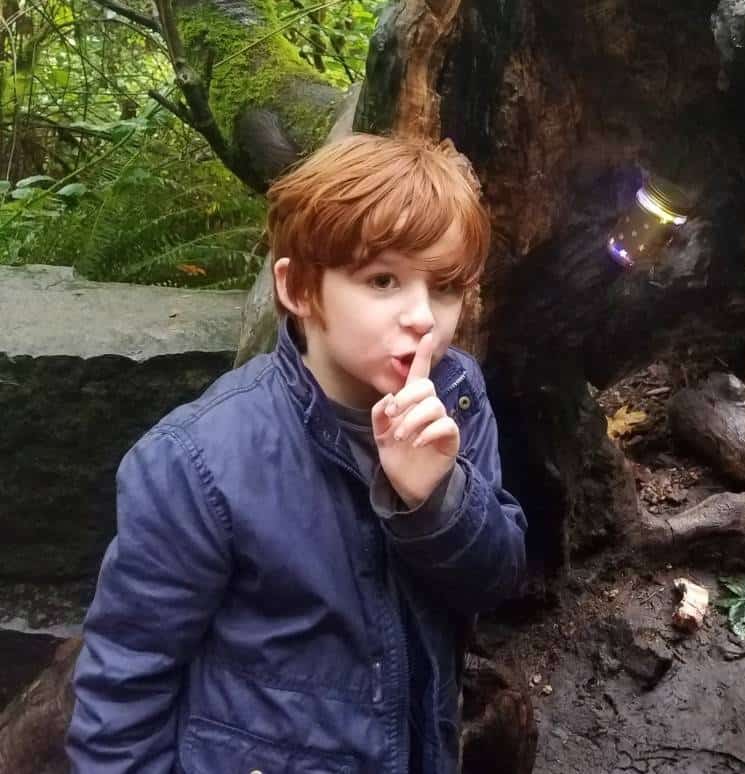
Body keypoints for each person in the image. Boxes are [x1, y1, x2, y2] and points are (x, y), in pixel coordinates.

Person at [66, 133, 528, 774]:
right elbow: (122, 698)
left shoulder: (458, 397)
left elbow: (495, 579)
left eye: (445, 287)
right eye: (383, 280)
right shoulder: (197, 463)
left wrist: (438, 500)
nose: (423, 317)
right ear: (299, 288)